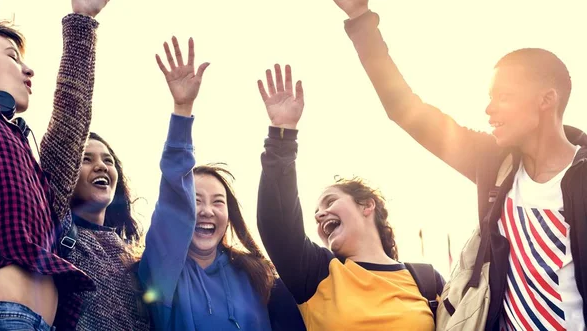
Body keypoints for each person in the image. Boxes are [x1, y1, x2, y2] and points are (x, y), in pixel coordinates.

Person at [331, 0, 587, 329]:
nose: (489, 109)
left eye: (503, 97)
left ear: (546, 99)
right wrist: (360, 19)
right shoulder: (493, 164)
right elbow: (405, 109)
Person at [256, 63, 441, 330]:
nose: (319, 215)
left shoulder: (426, 280)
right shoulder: (319, 273)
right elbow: (278, 224)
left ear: (367, 205)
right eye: (317, 211)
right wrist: (282, 135)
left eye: (330, 202)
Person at [138, 37, 304, 331]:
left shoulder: (255, 274)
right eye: (195, 201)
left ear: (229, 216)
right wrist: (182, 108)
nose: (206, 210)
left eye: (218, 202)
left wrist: (284, 133)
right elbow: (174, 193)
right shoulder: (164, 271)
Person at [0, 0, 108, 330]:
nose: (28, 69)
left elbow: (71, 118)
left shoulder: (21, 148)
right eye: (12, 56)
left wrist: (82, 20)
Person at [49, 131, 150, 331]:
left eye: (108, 161)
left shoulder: (131, 254)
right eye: (85, 159)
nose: (101, 166)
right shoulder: (58, 229)